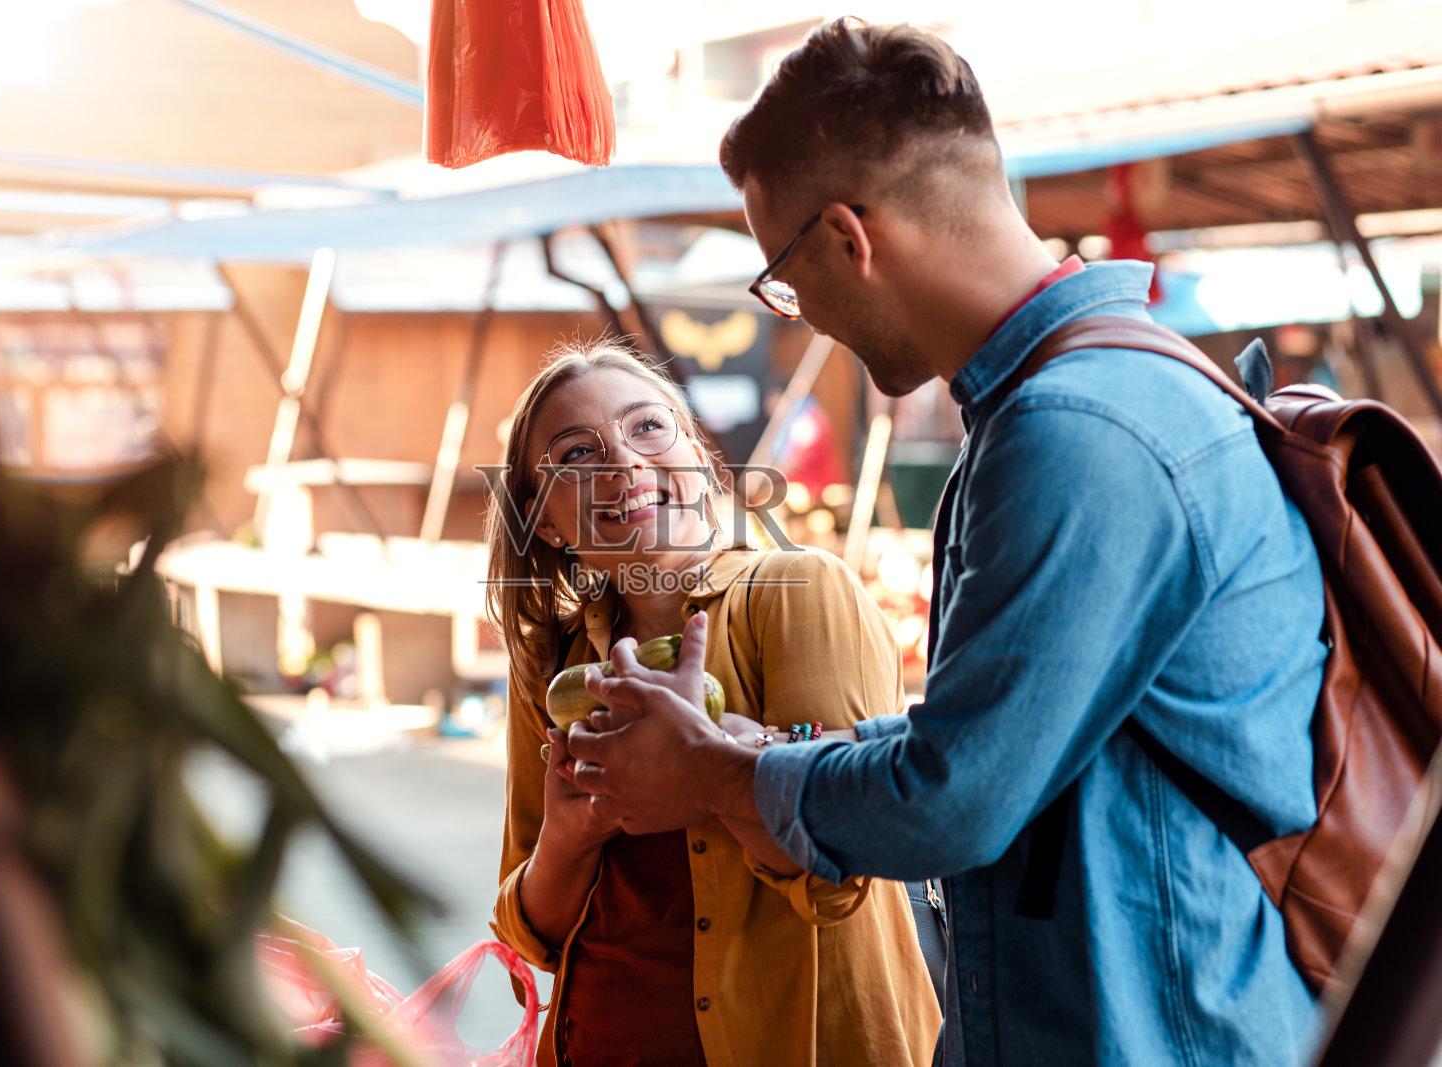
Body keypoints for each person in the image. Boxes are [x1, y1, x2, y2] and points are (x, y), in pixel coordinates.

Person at [564, 19, 1327, 1067]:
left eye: (783, 280)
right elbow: (995, 733)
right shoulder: (1075, 402)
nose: (803, 316)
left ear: (846, 237)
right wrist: (773, 751)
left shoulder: (1079, 432)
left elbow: (956, 800)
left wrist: (712, 778)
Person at [484, 341, 941, 1067]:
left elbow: (842, 871)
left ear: (696, 451)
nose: (624, 465)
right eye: (576, 455)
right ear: (542, 520)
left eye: (647, 428)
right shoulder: (555, 665)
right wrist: (569, 839)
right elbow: (528, 938)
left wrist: (709, 765)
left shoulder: (800, 593)